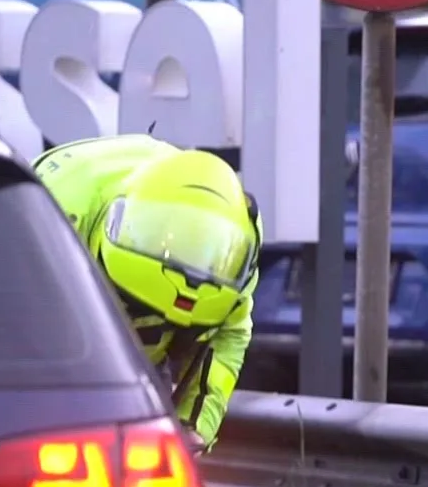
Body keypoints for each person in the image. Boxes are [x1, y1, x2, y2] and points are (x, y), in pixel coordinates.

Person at [33, 133, 261, 453]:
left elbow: (229, 337)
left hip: (141, 369)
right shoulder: (53, 212)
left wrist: (194, 425)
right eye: (134, 308)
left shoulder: (235, 242)